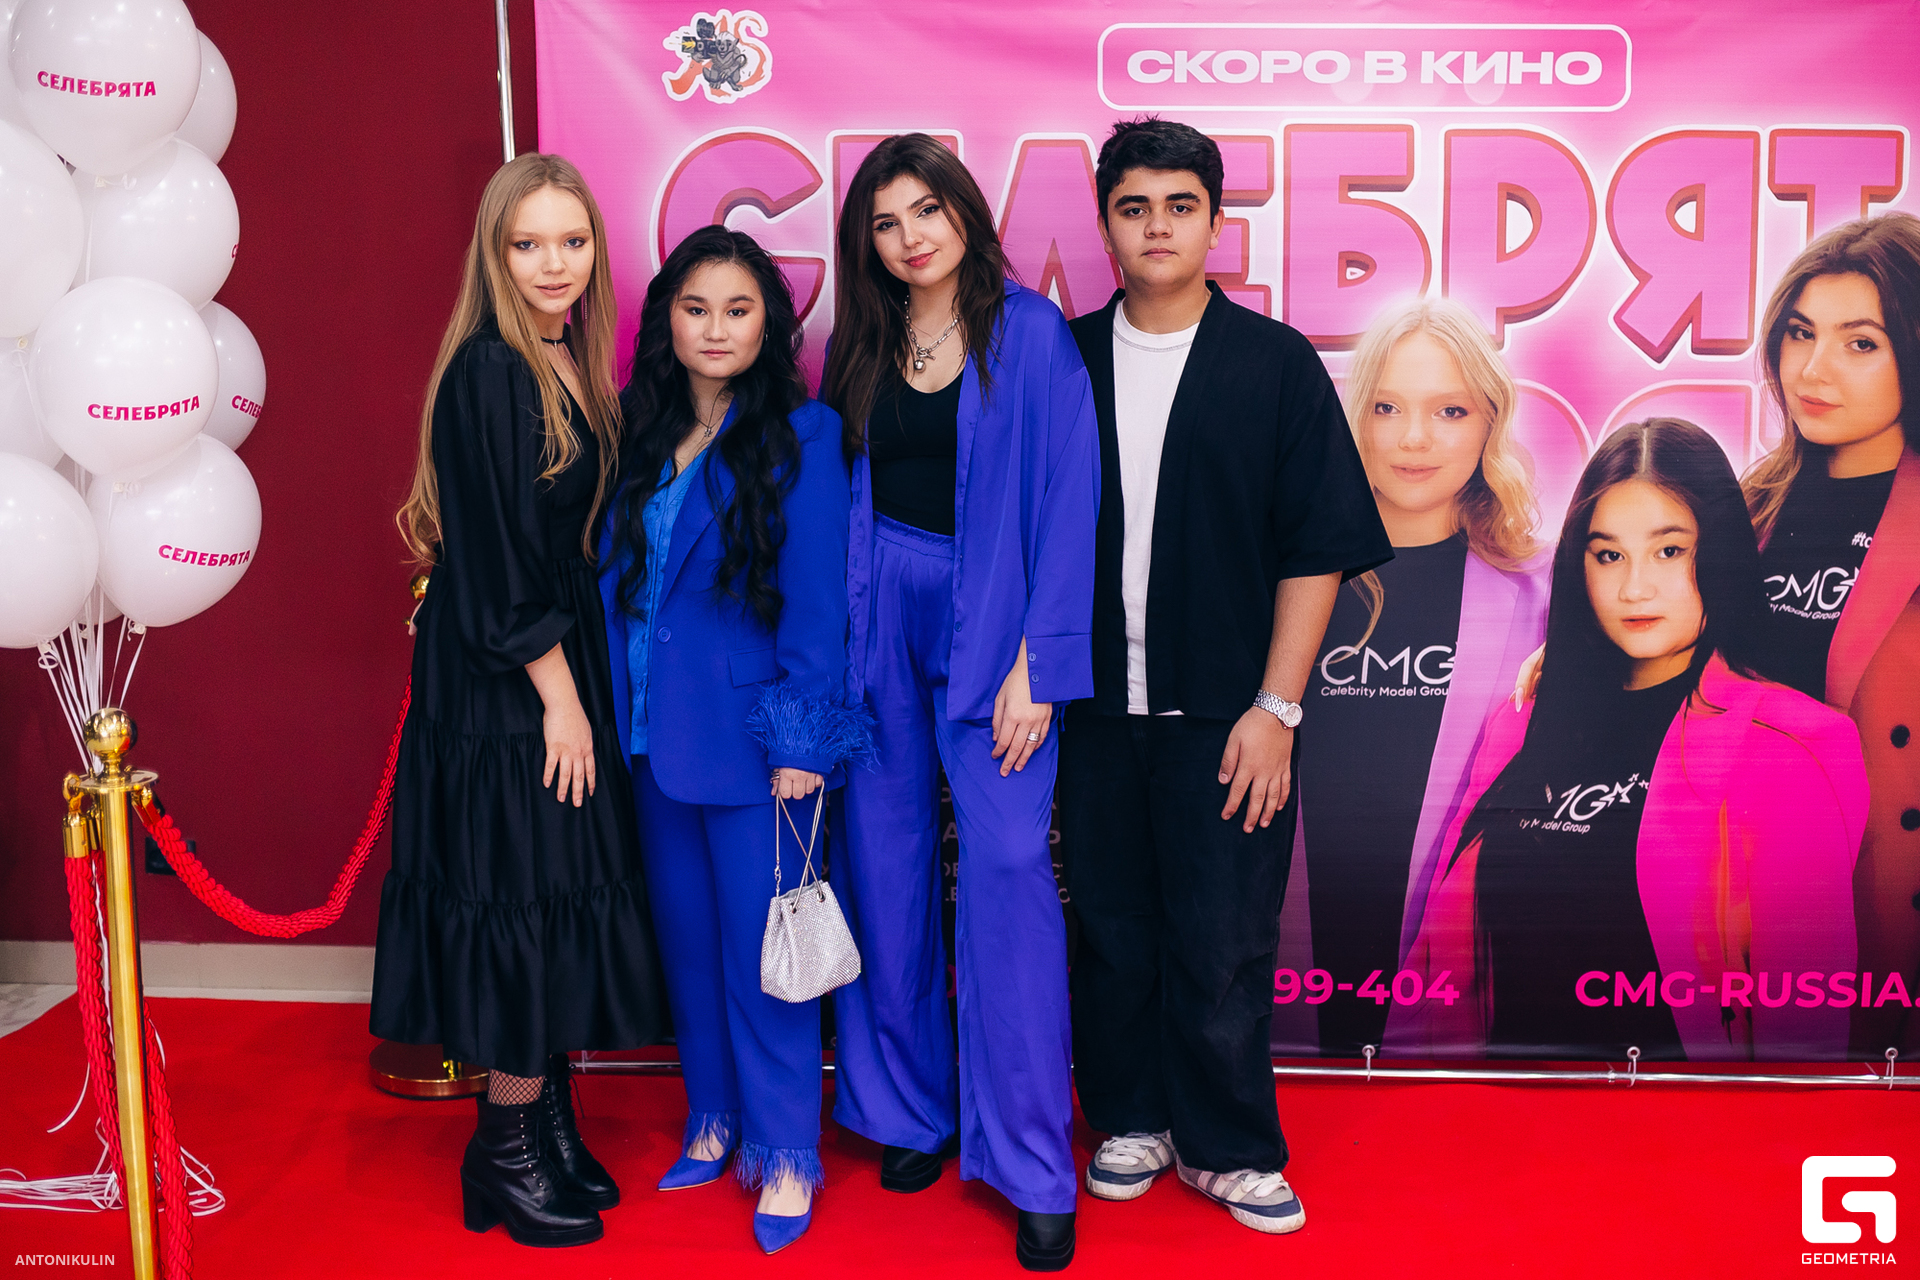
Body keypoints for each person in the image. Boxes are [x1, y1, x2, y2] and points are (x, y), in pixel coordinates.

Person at [1058, 119, 1389, 1236]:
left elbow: (1317, 547)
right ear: (1106, 224)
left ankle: (1230, 1144)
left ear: (1214, 223)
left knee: (1224, 935)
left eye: (1180, 205)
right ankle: (1131, 1118)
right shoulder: (1063, 359)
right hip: (1092, 709)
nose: (1157, 226)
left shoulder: (1274, 363)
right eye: (1134, 207)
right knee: (1112, 928)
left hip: (1229, 714)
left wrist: (1275, 708)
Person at [373, 153, 665, 1248]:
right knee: (519, 892)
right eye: (528, 243)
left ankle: (542, 1120)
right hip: (510, 674)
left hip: (549, 650)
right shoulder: (491, 370)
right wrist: (561, 698)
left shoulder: (562, 357)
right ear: (494, 254)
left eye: (572, 241)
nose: (554, 263)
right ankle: (502, 1145)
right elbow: (495, 560)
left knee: (551, 886)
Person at [818, 132, 1097, 1272]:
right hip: (878, 611)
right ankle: (909, 1108)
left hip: (998, 623)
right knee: (883, 865)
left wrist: (1041, 662)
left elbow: (1070, 502)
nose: (910, 237)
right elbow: (835, 495)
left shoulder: (1030, 334)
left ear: (965, 213)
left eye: (926, 211)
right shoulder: (862, 341)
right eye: (886, 222)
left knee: (1010, 870)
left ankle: (1031, 1160)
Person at [1391, 419, 1868, 1061]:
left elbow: (1802, 1036)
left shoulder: (1787, 749)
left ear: (1721, 552)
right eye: (1608, 555)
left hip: (1678, 1119)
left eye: (1669, 551)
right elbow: (1438, 975)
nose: (1634, 588)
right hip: (1501, 1112)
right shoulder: (1521, 721)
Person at [598, 225, 858, 1255]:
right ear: (666, 317)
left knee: (767, 955)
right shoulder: (637, 429)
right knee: (692, 948)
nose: (715, 328)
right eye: (696, 308)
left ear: (769, 324)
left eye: (738, 310)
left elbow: (819, 607)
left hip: (758, 749)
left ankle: (787, 1150)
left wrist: (803, 743)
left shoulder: (805, 435)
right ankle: (713, 1118)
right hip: (650, 738)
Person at [1281, 298, 1548, 1057]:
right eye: (1387, 407)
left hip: (1462, 984)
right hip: (1286, 967)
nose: (1414, 439)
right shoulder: (1287, 575)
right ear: (1355, 419)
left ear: (1490, 422)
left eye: (1450, 411)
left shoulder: (1548, 590)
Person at [1742, 214, 1920, 1055]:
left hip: (1887, 904)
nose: (1813, 369)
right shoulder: (1745, 507)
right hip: (1756, 904)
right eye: (1801, 333)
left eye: (1860, 344)